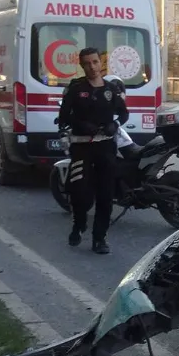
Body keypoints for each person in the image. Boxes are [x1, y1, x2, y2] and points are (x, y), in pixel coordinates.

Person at [57, 47, 129, 255]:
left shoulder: (111, 89)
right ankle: (79, 224)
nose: (92, 67)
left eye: (95, 62)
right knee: (79, 193)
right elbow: (63, 117)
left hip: (105, 147)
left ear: (100, 63)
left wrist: (115, 125)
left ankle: (100, 238)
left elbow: (124, 114)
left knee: (106, 195)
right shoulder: (76, 88)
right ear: (82, 65)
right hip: (82, 147)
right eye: (87, 63)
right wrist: (79, 124)